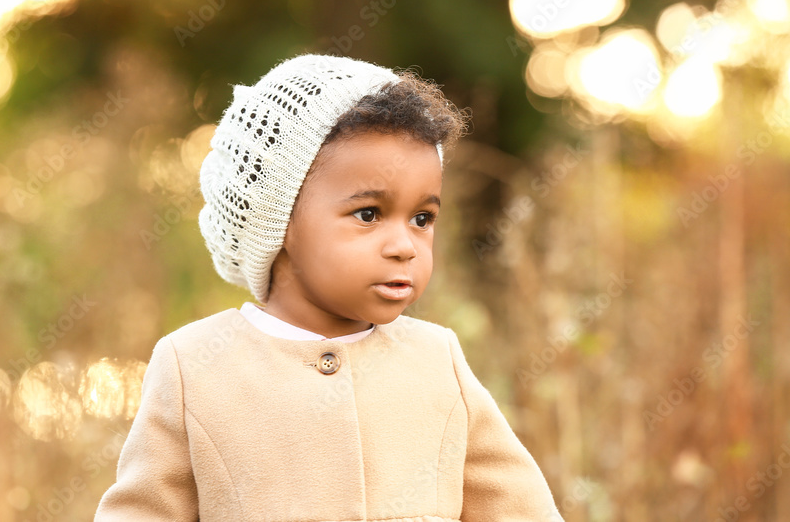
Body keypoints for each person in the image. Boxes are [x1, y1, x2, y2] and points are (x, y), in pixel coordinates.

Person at [93, 53, 563, 521]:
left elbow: (521, 510)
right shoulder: (194, 366)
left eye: (423, 218)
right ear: (276, 221)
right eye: (368, 214)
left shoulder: (437, 361)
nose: (405, 246)